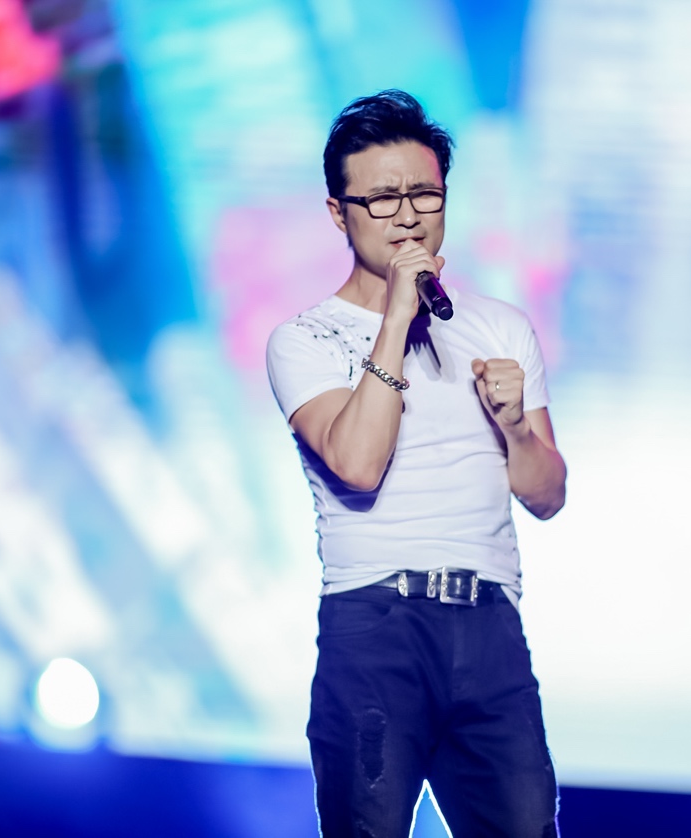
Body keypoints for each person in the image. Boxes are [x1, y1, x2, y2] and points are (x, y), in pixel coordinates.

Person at [266, 89, 566, 838]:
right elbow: (357, 463)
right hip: (375, 623)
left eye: (424, 194)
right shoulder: (305, 340)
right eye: (381, 199)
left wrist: (514, 428)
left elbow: (547, 494)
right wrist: (397, 317)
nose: (407, 216)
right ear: (339, 214)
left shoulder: (501, 327)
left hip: (489, 623)